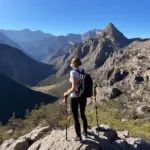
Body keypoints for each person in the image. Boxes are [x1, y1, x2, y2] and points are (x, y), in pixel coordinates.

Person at [63, 57, 88, 141]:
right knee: (82, 114)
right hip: (83, 96)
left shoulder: (73, 72)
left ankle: (78, 136)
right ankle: (85, 131)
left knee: (75, 116)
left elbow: (73, 88)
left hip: (75, 97)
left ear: (73, 64)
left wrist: (66, 93)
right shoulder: (83, 70)